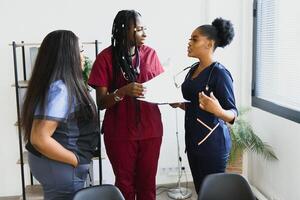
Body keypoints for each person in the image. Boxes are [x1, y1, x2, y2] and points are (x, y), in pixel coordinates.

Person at [88, 10, 164, 200]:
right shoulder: (105, 58)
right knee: (124, 185)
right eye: (138, 29)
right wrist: (122, 91)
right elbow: (101, 103)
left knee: (147, 186)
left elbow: (161, 89)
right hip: (120, 133)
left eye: (144, 29)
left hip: (151, 131)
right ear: (123, 31)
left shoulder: (151, 54)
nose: (144, 34)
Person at [21, 30, 100, 200]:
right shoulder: (61, 89)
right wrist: (75, 160)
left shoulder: (56, 84)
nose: (84, 56)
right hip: (61, 165)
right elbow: (39, 138)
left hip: (55, 164)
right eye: (80, 51)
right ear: (67, 55)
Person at [172, 18, 238, 194]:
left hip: (213, 147)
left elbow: (232, 114)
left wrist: (218, 111)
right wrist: (179, 104)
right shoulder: (193, 69)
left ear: (209, 43)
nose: (189, 43)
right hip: (194, 143)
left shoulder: (220, 74)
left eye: (194, 39)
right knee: (202, 192)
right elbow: (195, 106)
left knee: (213, 194)